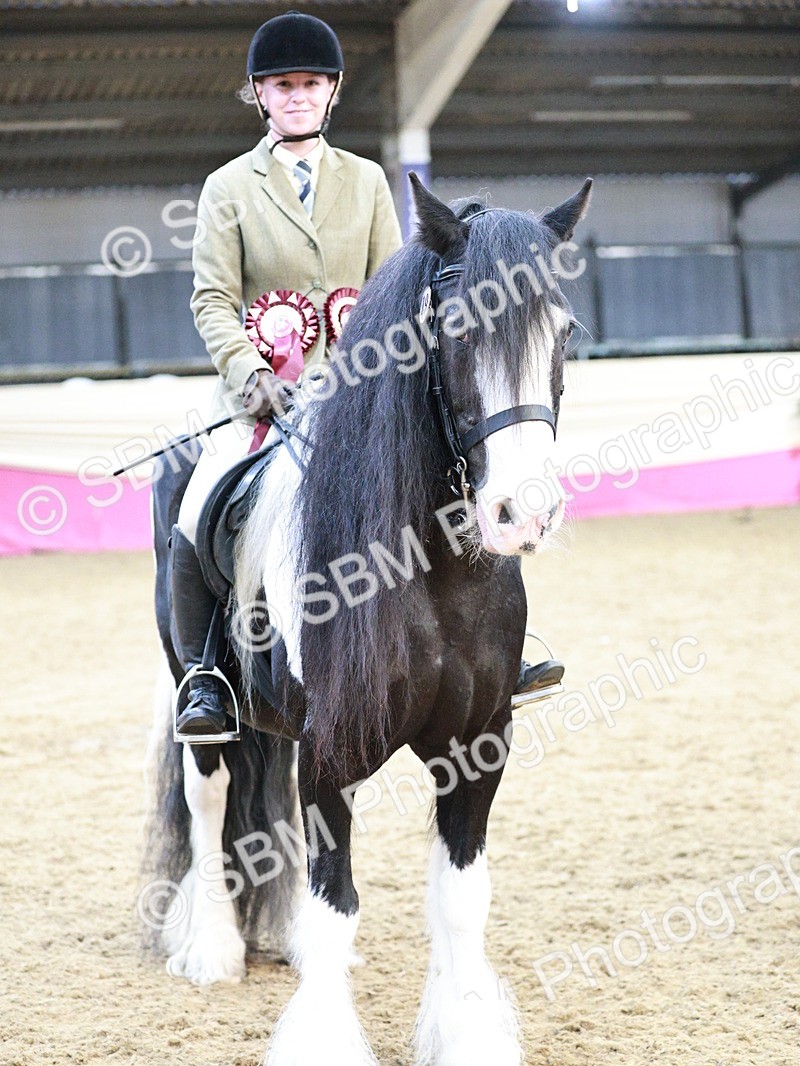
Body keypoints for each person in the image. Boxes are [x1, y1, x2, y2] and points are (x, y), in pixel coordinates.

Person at [171, 9, 564, 740]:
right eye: (282, 85)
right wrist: (251, 372)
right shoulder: (228, 187)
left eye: (310, 84)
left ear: (332, 92)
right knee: (198, 501)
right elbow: (213, 299)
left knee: (461, 473)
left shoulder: (368, 181)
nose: (297, 96)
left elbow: (396, 286)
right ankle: (207, 675)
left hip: (363, 392)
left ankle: (498, 649)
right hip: (268, 402)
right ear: (260, 95)